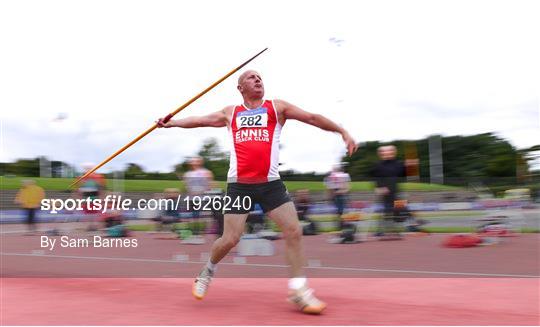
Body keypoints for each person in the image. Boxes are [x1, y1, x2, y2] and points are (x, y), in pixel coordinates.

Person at [157, 70, 357, 314]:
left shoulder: (277, 108)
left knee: (294, 230)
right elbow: (200, 120)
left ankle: (298, 290)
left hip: (270, 183)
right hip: (240, 185)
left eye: (260, 77)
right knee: (230, 239)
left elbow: (312, 117)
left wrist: (341, 131)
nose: (258, 80)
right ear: (240, 87)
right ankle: (207, 270)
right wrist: (173, 122)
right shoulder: (231, 112)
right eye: (251, 77)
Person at [371, 145, 415, 237]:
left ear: (393, 152)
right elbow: (375, 178)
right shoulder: (378, 165)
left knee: (402, 209)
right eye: (384, 152)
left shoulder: (398, 164)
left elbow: (404, 174)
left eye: (389, 151)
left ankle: (411, 225)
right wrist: (379, 187)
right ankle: (381, 230)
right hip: (385, 193)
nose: (386, 153)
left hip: (395, 192)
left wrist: (408, 166)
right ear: (381, 154)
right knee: (386, 212)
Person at [182, 157, 214, 244]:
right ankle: (191, 235)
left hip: (201, 198)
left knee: (198, 216)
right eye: (192, 161)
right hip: (191, 197)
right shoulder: (188, 174)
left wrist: (201, 191)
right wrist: (190, 190)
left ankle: (199, 235)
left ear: (200, 162)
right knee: (191, 217)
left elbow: (209, 185)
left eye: (196, 161)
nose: (193, 163)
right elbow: (186, 185)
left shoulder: (206, 172)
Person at [324, 164, 351, 229]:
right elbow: (329, 189)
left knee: (342, 212)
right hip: (336, 198)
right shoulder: (331, 178)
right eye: (334, 170)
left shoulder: (344, 177)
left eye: (337, 170)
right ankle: (341, 226)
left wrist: (340, 191)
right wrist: (329, 197)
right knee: (338, 213)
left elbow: (347, 188)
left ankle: (343, 226)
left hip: (342, 197)